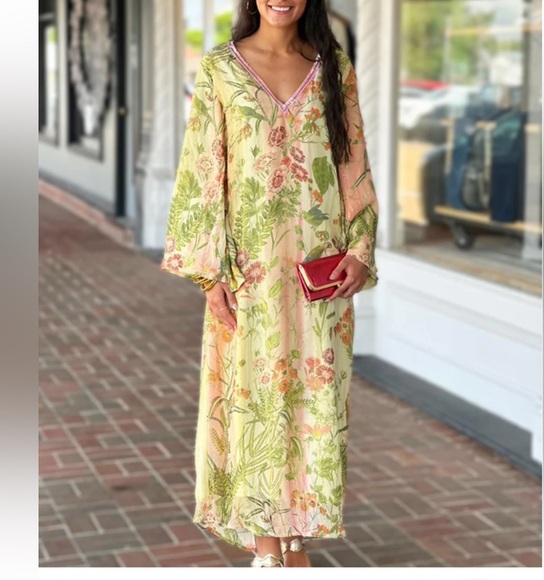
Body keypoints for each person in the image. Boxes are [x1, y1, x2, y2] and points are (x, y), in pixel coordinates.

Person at [160, 0, 378, 568]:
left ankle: (297, 538)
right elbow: (202, 169)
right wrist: (209, 273)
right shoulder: (221, 67)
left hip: (319, 271)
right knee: (253, 402)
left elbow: (353, 159)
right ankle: (266, 549)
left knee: (313, 399)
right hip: (249, 271)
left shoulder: (334, 67)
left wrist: (360, 248)